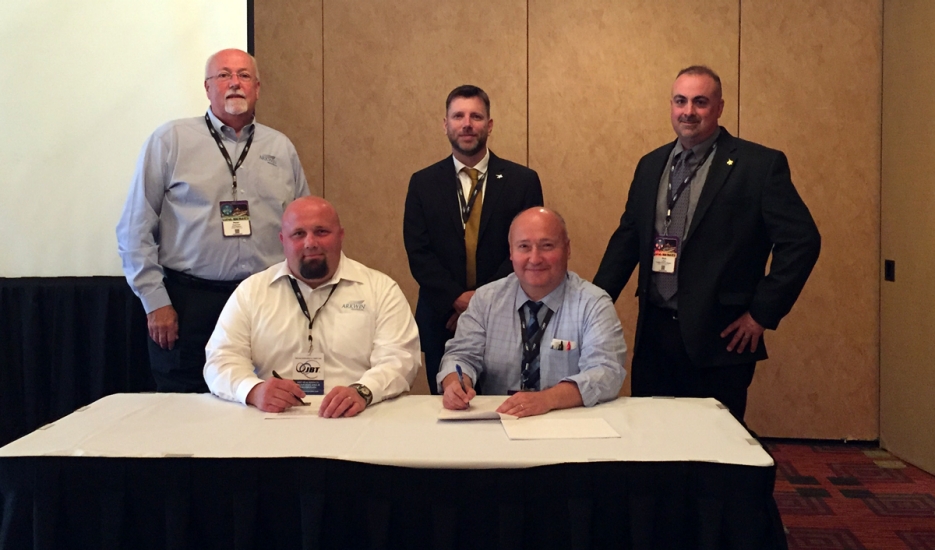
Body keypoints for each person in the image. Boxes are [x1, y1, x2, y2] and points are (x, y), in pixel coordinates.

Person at [593, 65, 821, 421]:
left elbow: (802, 241)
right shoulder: (650, 165)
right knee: (652, 439)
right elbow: (627, 239)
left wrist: (762, 313)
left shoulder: (758, 165)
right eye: (680, 101)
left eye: (700, 102)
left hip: (720, 337)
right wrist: (592, 305)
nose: (689, 111)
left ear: (719, 107)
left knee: (715, 450)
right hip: (654, 335)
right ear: (670, 105)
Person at [116, 48, 310, 393]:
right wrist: (155, 301)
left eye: (244, 76)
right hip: (188, 301)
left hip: (263, 299)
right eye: (223, 75)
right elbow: (134, 228)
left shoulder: (280, 148)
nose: (234, 83)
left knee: (266, 400)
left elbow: (301, 229)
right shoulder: (170, 141)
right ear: (207, 88)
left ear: (257, 88)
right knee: (185, 408)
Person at [203, 196, 420, 417]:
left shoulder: (381, 290)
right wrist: (253, 390)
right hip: (272, 420)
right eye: (298, 234)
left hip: (357, 418)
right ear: (282, 240)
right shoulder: (252, 291)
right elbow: (220, 359)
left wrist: (364, 391)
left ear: (341, 236)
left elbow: (400, 358)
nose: (310, 243)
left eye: (321, 232)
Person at [404, 85, 543, 394]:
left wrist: (478, 303)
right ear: (446, 125)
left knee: (501, 405)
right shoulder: (423, 183)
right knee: (450, 403)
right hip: (442, 317)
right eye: (458, 116)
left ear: (489, 125)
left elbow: (524, 251)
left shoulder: (522, 181)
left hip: (505, 315)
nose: (467, 124)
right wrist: (456, 300)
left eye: (476, 116)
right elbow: (419, 253)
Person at [438, 207, 626, 417]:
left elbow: (606, 372)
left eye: (547, 246)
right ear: (510, 252)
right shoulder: (486, 300)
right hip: (501, 421)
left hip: (569, 422)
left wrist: (547, 399)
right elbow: (461, 356)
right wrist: (455, 383)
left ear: (567, 249)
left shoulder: (593, 304)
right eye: (524, 247)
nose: (535, 259)